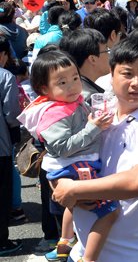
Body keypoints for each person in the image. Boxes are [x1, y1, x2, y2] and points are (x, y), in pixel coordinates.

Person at [52, 37, 138, 261]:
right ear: (111, 75)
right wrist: (60, 183)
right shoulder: (96, 111)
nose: (137, 82)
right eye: (128, 73)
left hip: (131, 254)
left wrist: (74, 190)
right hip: (82, 250)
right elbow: (60, 154)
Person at [18, 50, 118, 262]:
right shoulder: (54, 113)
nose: (72, 85)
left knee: (75, 207)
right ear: (44, 89)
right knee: (108, 210)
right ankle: (88, 257)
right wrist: (93, 128)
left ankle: (65, 244)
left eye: (75, 78)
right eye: (62, 83)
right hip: (73, 166)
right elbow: (63, 147)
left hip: (75, 165)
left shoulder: (72, 102)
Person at [0, 34, 22, 256]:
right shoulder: (5, 76)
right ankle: (1, 242)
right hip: (1, 147)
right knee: (1, 194)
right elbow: (11, 113)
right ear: (3, 54)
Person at [59, 28, 111, 104]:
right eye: (107, 51)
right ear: (93, 59)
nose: (109, 55)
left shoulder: (70, 91)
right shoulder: (90, 99)